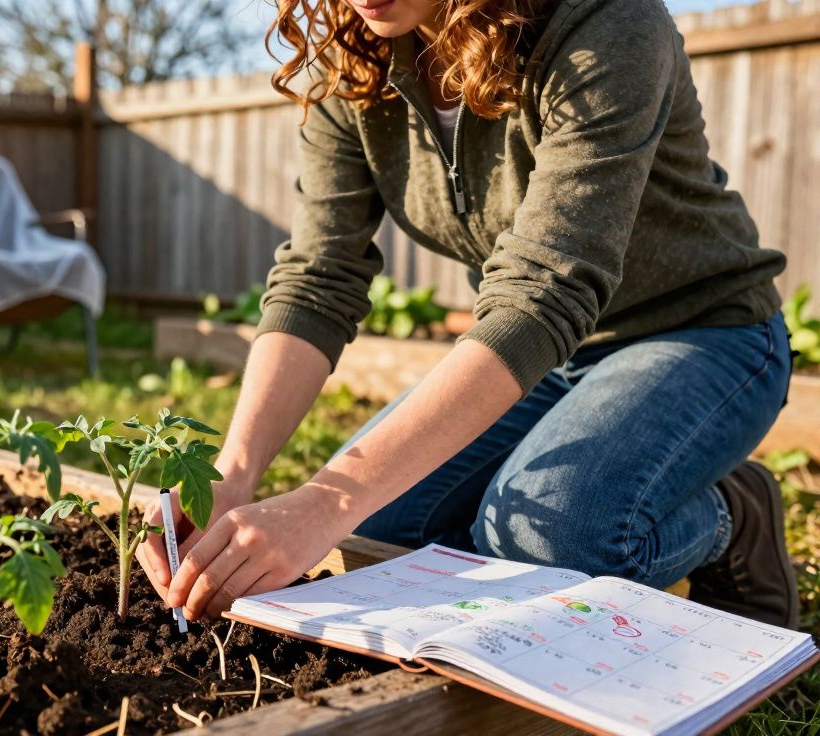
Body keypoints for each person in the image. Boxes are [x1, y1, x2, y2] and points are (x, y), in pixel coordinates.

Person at [137, 0, 798, 629]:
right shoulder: (355, 60)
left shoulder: (603, 24)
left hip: (701, 333)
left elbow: (545, 288)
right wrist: (232, 473)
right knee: (373, 532)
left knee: (547, 538)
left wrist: (325, 500)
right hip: (541, 359)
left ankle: (730, 517)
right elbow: (319, 277)